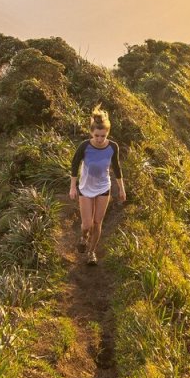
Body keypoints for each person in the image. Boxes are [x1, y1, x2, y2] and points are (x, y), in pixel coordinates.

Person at [68, 104, 126, 264]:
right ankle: (83, 236)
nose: (100, 139)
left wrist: (122, 189)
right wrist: (73, 187)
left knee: (97, 222)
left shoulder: (113, 147)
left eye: (103, 136)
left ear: (107, 133)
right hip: (85, 188)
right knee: (87, 224)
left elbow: (117, 167)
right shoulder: (85, 146)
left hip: (103, 188)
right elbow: (74, 165)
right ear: (91, 133)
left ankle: (91, 253)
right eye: (97, 135)